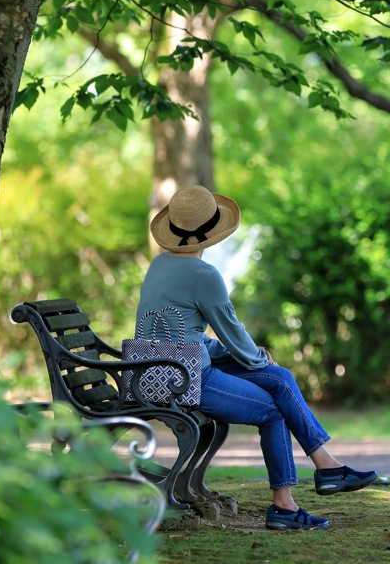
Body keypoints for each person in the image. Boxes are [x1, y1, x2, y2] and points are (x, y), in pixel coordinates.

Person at [137, 185, 377, 530]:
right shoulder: (203, 276)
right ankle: (286, 504)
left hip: (166, 368)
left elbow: (185, 334)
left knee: (282, 379)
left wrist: (260, 361)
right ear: (211, 234)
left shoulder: (159, 265)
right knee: (272, 408)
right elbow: (231, 331)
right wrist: (260, 359)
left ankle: (326, 467)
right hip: (186, 379)